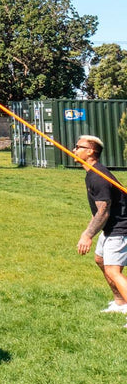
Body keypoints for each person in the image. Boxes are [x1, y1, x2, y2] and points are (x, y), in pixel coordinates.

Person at [72, 134, 127, 315]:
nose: (74, 150)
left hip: (120, 227)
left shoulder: (98, 177)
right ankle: (120, 303)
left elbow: (103, 210)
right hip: (110, 226)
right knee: (101, 260)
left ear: (90, 151)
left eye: (78, 147)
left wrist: (87, 235)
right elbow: (99, 212)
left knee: (113, 270)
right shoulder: (92, 173)